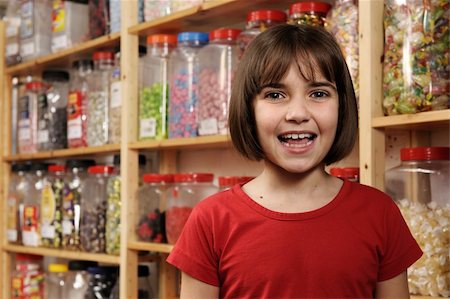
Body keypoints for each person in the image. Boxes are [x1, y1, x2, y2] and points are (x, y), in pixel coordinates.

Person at [167, 24, 422, 298]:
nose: (298, 113)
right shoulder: (210, 220)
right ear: (248, 110)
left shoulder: (379, 212)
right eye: (275, 95)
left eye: (319, 94)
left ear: (342, 107)